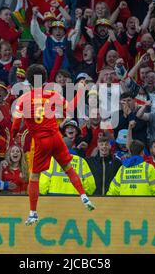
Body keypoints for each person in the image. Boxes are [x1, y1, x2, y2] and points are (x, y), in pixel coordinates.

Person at [11, 64, 95, 226]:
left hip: (41, 141)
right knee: (68, 168)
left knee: (35, 177)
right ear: (45, 81)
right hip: (55, 136)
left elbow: (15, 125)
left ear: (28, 82)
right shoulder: (52, 95)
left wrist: (14, 137)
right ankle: (84, 197)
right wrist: (80, 90)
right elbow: (70, 109)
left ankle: (33, 213)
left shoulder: (23, 100)